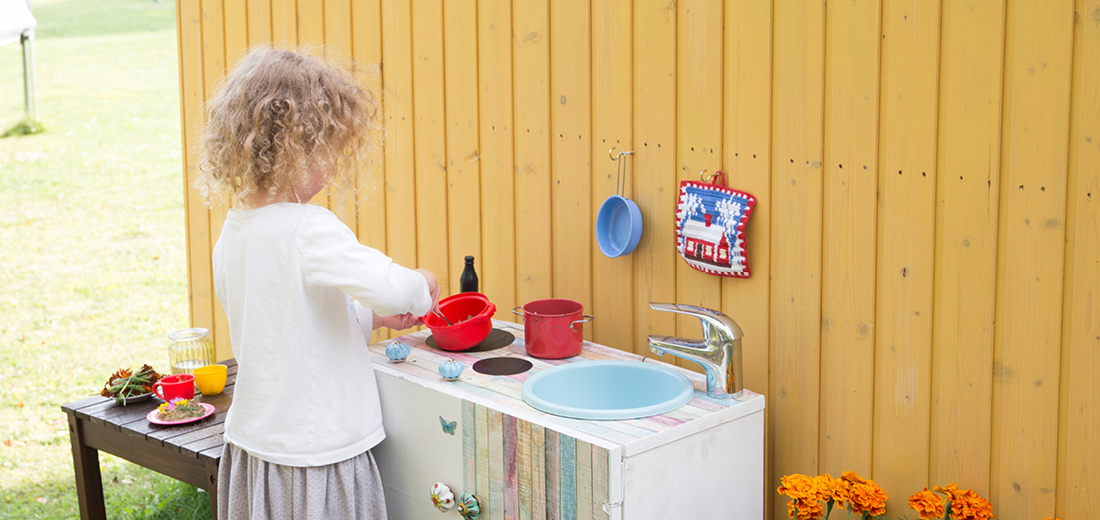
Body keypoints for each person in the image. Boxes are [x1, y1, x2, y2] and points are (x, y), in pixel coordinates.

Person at [196, 47, 438, 520]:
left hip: (256, 449)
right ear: (294, 147)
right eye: (327, 150)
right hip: (318, 454)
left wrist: (370, 316)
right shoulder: (308, 227)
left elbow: (286, 320)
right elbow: (391, 286)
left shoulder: (235, 230)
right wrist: (419, 285)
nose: (330, 170)